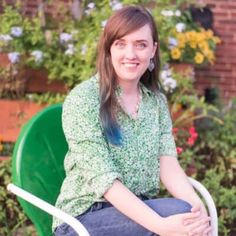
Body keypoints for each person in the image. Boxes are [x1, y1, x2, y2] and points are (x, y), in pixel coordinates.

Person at [53, 5, 212, 236]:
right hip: (83, 218)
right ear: (109, 49)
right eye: (121, 44)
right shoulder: (84, 100)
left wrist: (196, 207)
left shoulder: (155, 102)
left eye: (141, 44)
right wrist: (161, 226)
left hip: (138, 209)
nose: (131, 54)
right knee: (177, 215)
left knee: (187, 213)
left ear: (153, 51)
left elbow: (167, 163)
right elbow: (105, 183)